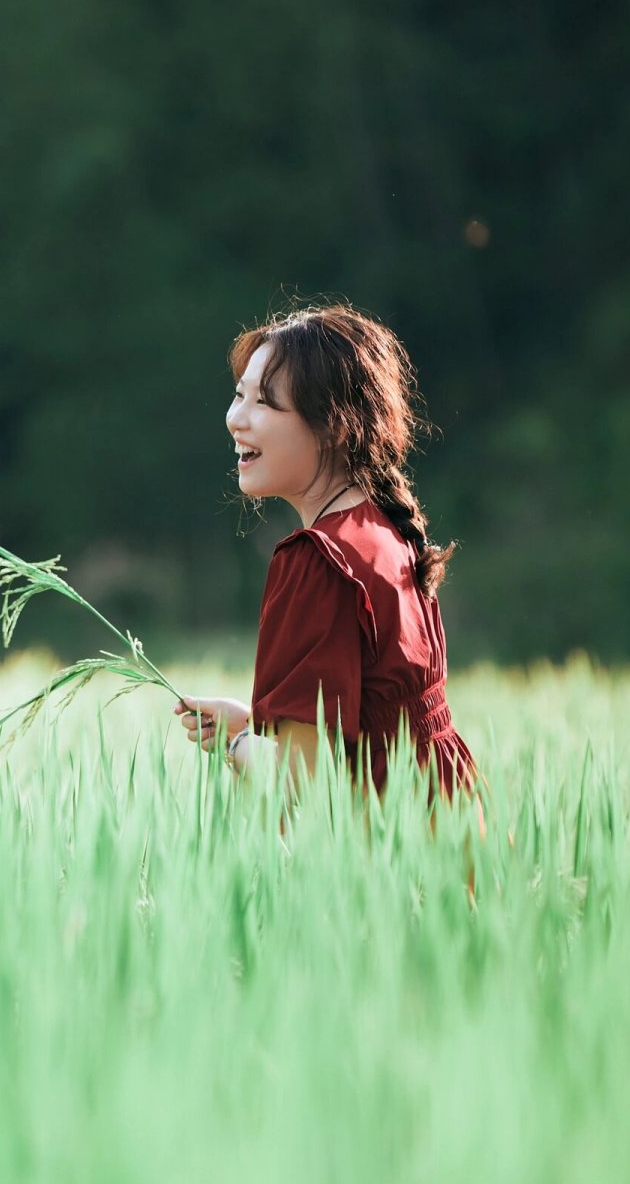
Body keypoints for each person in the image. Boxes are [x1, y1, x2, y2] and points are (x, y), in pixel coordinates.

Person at [174, 303, 479, 808]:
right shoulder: (386, 532)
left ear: (334, 427)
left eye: (265, 404)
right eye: (238, 395)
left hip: (385, 859)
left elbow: (304, 787)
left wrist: (237, 745)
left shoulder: (319, 559)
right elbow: (377, 733)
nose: (235, 420)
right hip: (450, 832)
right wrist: (250, 725)